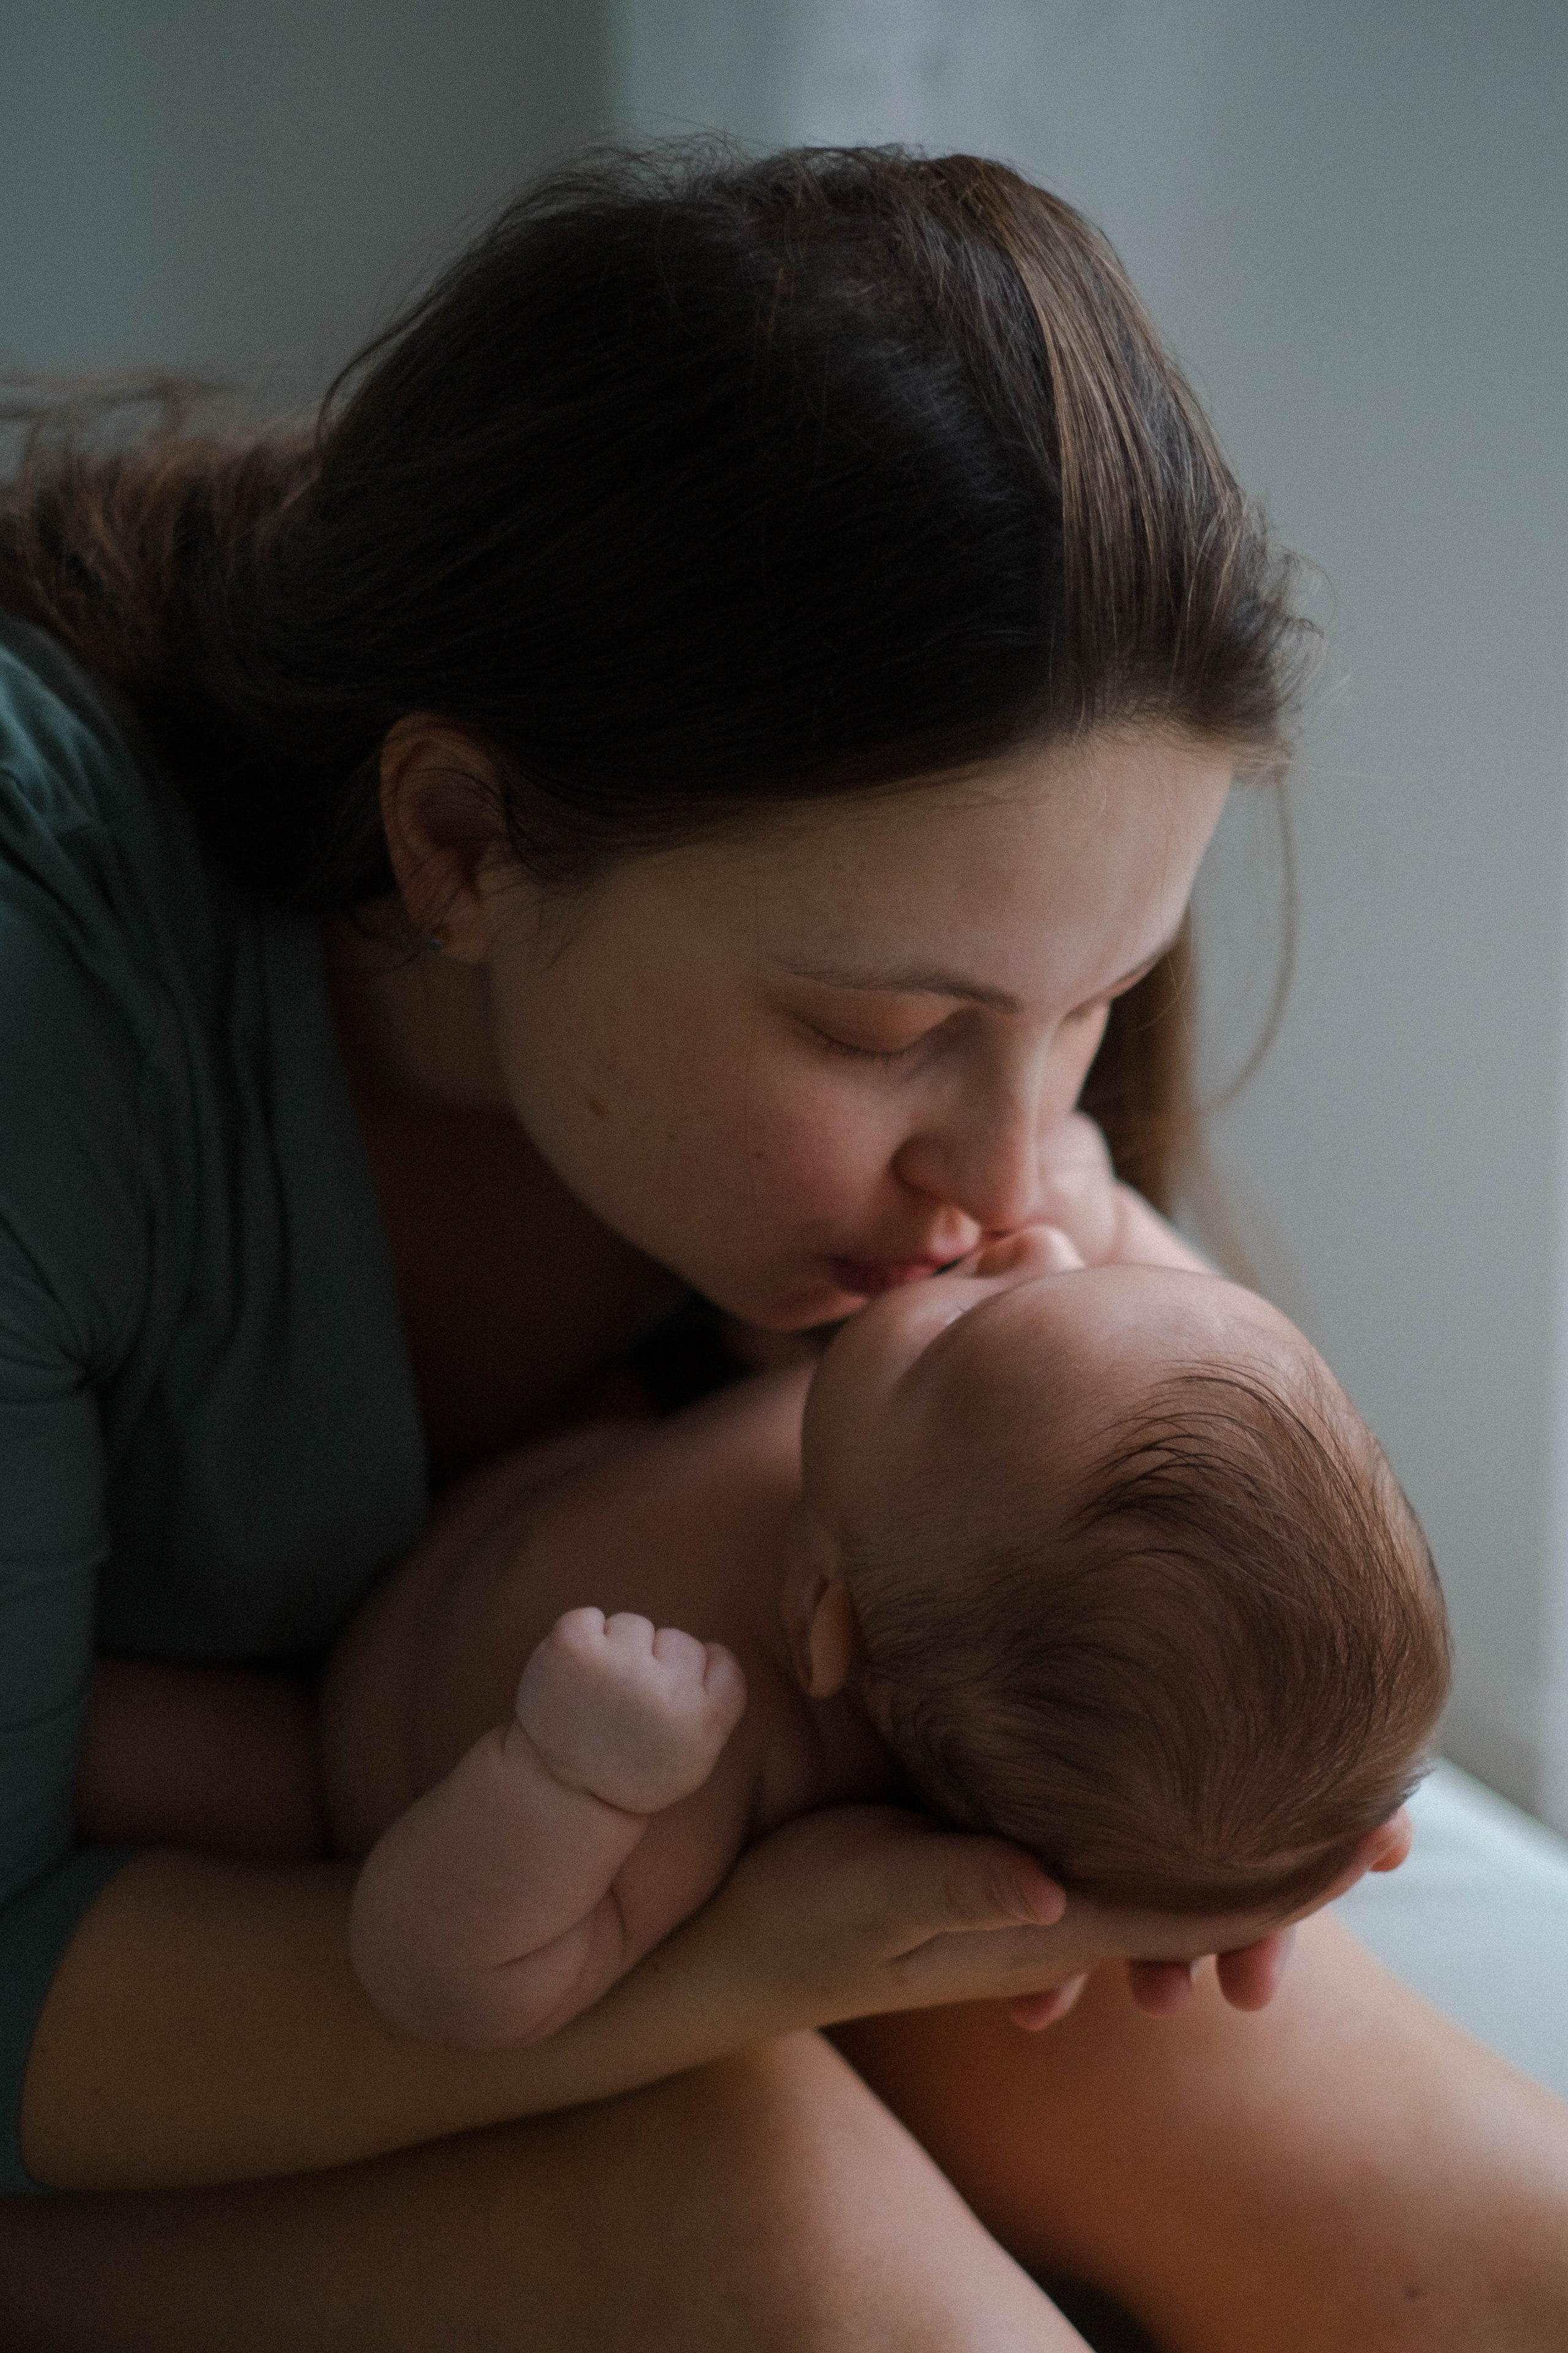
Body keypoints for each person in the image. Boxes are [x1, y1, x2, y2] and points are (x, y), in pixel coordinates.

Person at [0, 145, 1564, 2352]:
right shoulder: (46, 1009)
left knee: (1452, 2213)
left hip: (526, 1815)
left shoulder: (898, 1115)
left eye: (1095, 1002)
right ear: (453, 841)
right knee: (764, 2215)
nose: (1016, 1177)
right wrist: (749, 1968)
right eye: (888, 1031)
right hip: (131, 1995)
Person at [336, 1228, 1446, 2055]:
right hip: (443, 1504)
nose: (1038, 1238)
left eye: (964, 1327)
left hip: (319, 1750)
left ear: (829, 1621)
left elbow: (454, 1988)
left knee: (166, 1759)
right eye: (1064, 1278)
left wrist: (568, 1782)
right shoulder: (914, 1485)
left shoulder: (711, 1752)